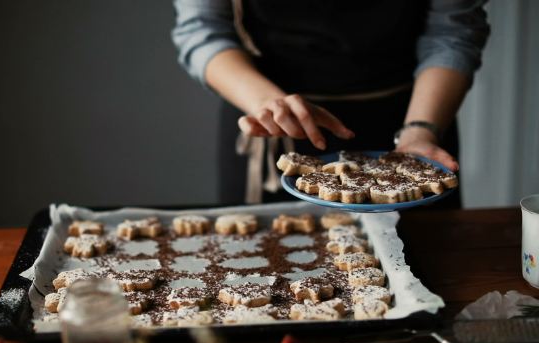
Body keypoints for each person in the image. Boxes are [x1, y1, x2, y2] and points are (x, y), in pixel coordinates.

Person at [172, 0, 490, 206]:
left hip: (412, 118)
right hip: (267, 120)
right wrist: (266, 101)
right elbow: (203, 29)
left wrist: (422, 129)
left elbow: (453, 31)